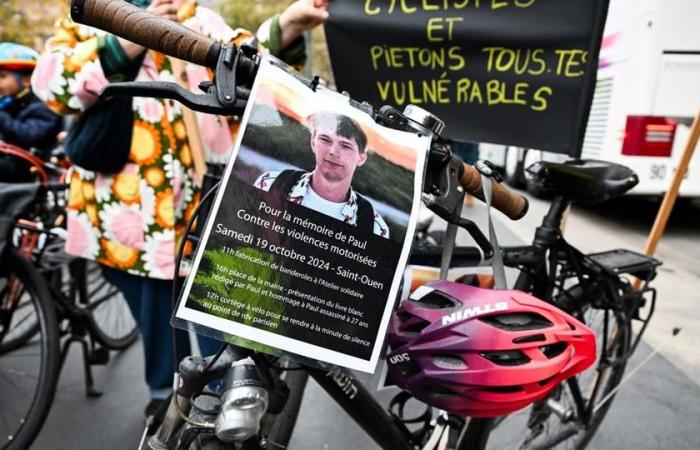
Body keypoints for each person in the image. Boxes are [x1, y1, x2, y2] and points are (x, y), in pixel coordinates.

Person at [31, 0, 329, 416]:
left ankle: (220, 390)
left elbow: (255, 66)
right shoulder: (86, 19)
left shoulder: (198, 20)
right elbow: (51, 88)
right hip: (122, 209)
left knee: (213, 295)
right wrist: (128, 41)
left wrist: (287, 25)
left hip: (204, 200)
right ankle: (162, 390)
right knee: (149, 301)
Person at [255, 111, 390, 238]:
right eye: (325, 139)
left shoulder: (374, 227)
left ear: (361, 158)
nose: (333, 152)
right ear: (313, 143)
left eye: (345, 146)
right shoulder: (271, 183)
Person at [0, 43, 62, 182]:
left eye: (2, 76)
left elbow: (30, 134)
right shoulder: (9, 104)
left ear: (27, 80)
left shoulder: (42, 105)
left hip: (27, 170)